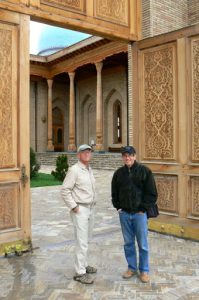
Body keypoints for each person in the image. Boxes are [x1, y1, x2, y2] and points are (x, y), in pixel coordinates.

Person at [111, 146, 158, 283]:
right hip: (124, 214)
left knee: (142, 244)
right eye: (125, 155)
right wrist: (118, 207)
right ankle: (132, 268)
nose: (127, 158)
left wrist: (143, 208)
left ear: (135, 156)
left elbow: (152, 193)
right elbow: (114, 192)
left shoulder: (145, 171)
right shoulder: (118, 173)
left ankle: (144, 270)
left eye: (130, 155)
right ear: (122, 157)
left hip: (139, 214)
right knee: (128, 243)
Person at [61, 144, 97, 284]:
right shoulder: (74, 170)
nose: (87, 153)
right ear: (78, 155)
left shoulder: (88, 169)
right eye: (84, 151)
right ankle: (80, 272)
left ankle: (84, 264)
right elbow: (65, 190)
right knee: (81, 242)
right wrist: (74, 207)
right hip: (80, 209)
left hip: (91, 208)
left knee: (86, 239)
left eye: (89, 151)